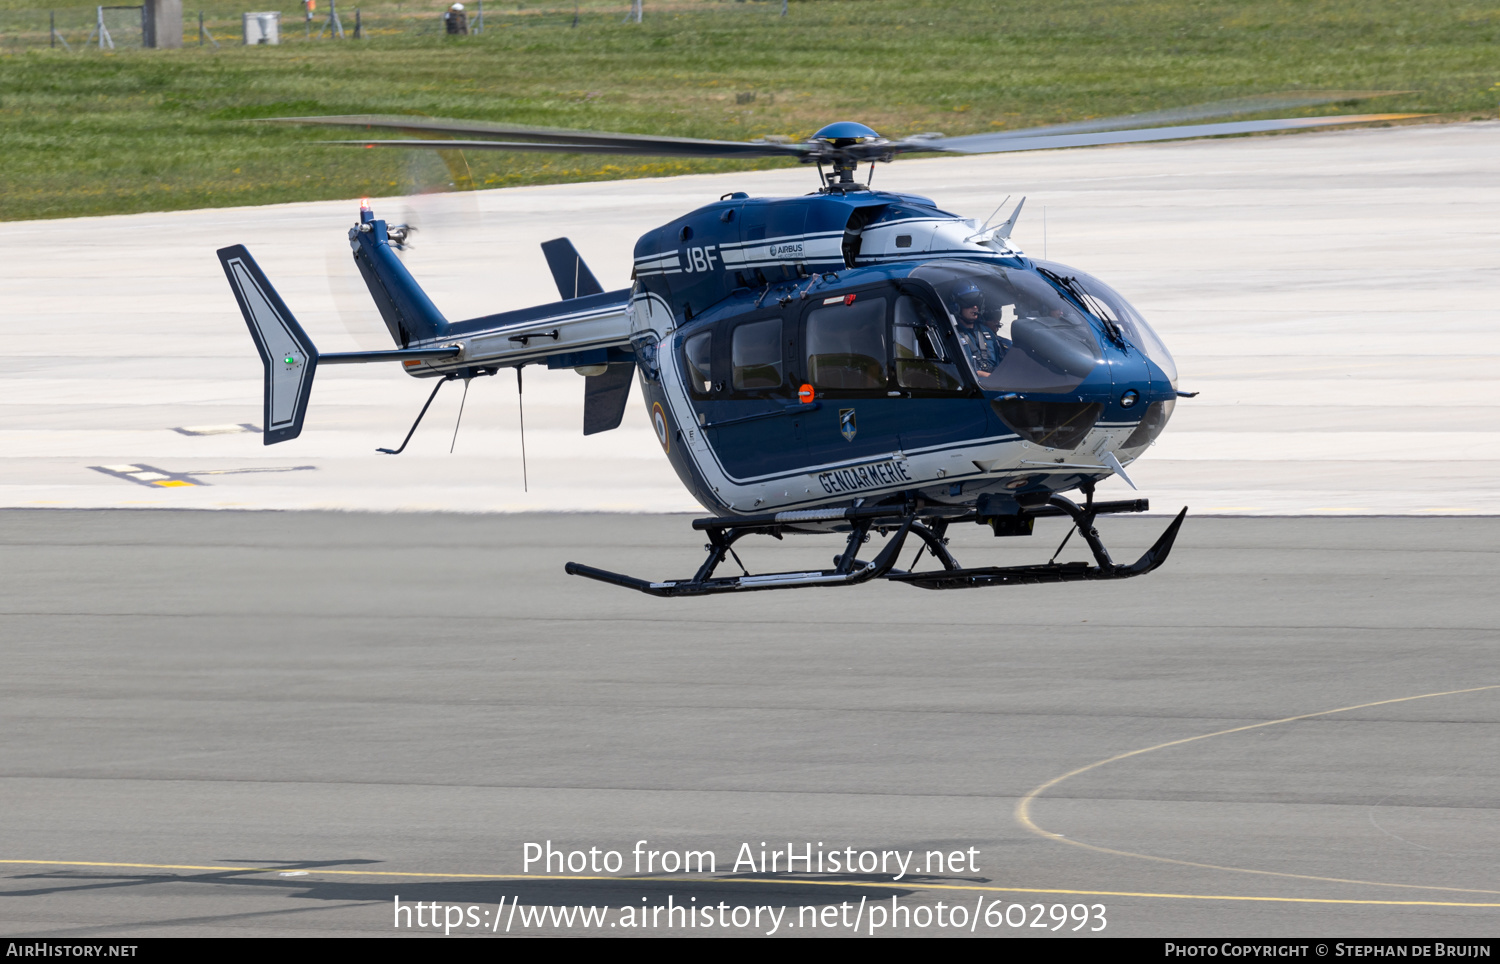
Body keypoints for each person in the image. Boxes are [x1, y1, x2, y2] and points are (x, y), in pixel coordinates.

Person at [950, 282, 1002, 377]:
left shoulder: (988, 332)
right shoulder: (952, 334)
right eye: (969, 303)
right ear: (957, 306)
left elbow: (1000, 363)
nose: (975, 307)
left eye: (977, 302)